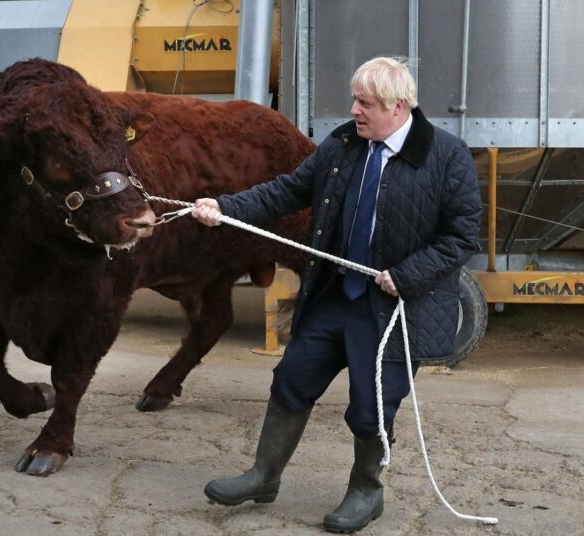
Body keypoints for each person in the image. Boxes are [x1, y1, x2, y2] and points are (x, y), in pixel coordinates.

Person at [192, 57, 481, 532]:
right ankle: (264, 476)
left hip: (391, 309)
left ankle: (367, 492)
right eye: (355, 100)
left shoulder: (447, 156)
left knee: (370, 407)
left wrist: (406, 275)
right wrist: (223, 207)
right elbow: (287, 192)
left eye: (365, 103)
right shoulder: (343, 145)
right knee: (291, 378)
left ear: (398, 107)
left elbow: (461, 238)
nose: (354, 111)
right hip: (334, 295)